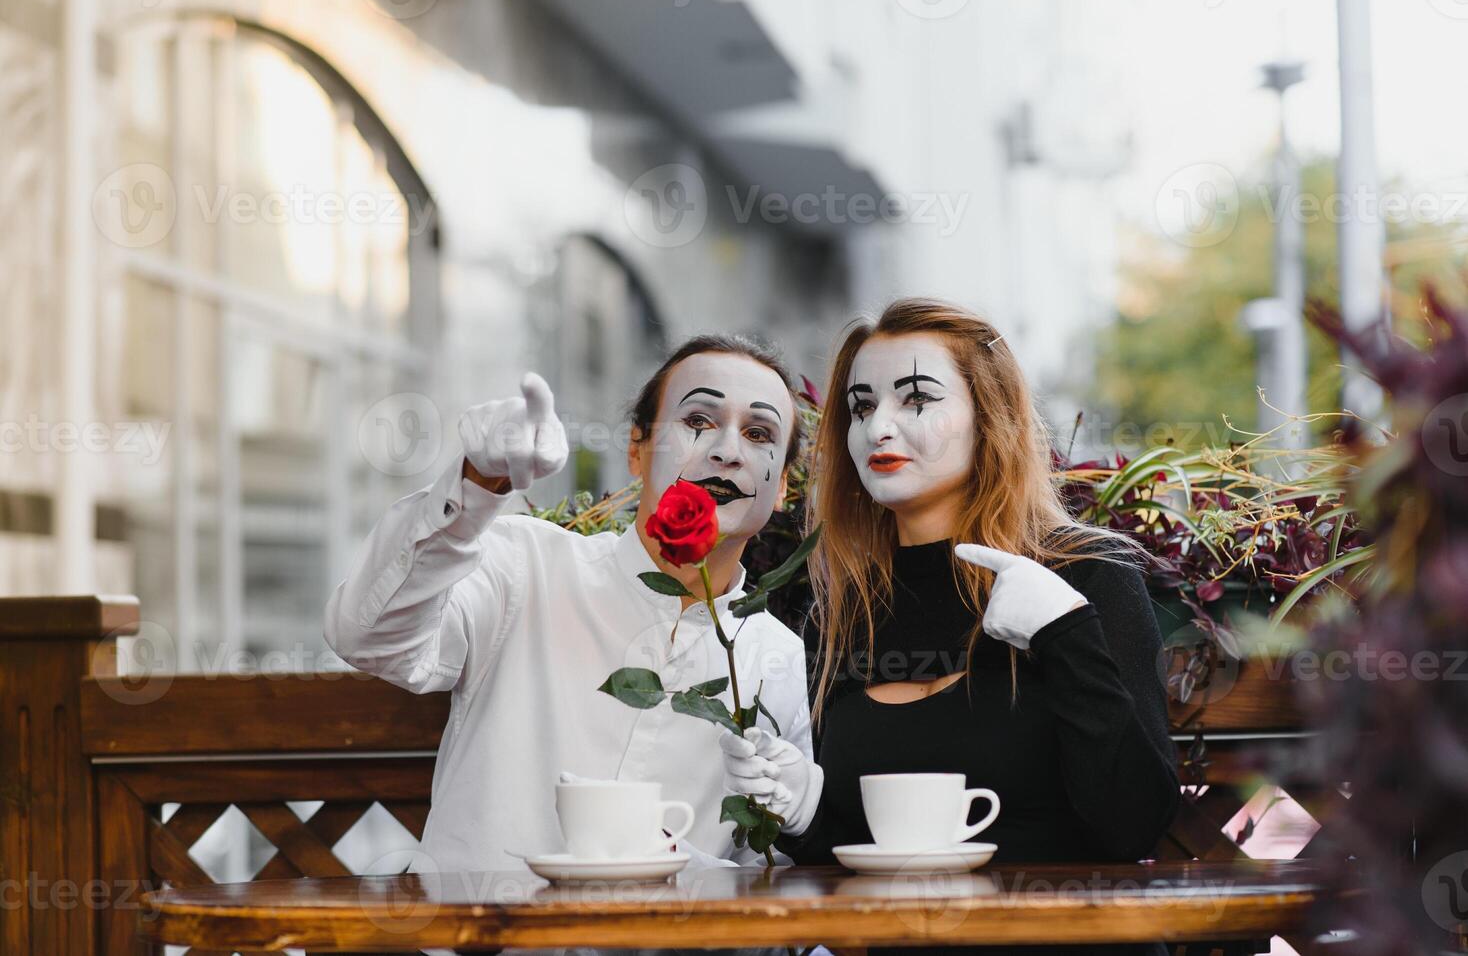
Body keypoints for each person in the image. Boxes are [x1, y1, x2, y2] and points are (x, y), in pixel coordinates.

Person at [719, 298, 1181, 956]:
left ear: (989, 419)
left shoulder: (1087, 576)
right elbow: (865, 853)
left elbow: (1132, 827)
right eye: (860, 406)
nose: (879, 427)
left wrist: (1064, 634)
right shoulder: (843, 614)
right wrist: (800, 810)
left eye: (916, 399)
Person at [326, 335, 813, 876]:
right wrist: (473, 488)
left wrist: (699, 866)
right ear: (636, 448)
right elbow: (368, 637)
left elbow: (765, 875)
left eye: (759, 433)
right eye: (697, 421)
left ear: (783, 484)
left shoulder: (779, 657)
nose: (727, 450)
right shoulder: (525, 566)